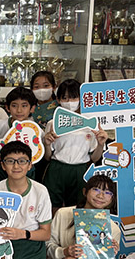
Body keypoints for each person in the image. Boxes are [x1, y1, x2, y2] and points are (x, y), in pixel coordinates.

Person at [43, 79, 108, 211]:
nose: (69, 102)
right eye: (65, 98)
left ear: (81, 98)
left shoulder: (91, 124)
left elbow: (94, 158)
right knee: (51, 205)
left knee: (78, 206)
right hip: (57, 168)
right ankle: (54, 225)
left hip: (80, 169)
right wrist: (47, 144)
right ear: (58, 100)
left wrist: (101, 144)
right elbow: (48, 157)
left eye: (73, 97)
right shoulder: (52, 124)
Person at [0, 86, 37, 189]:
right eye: (14, 105)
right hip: (1, 167)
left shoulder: (35, 129)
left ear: (32, 108)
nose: (19, 110)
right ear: (7, 107)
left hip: (25, 169)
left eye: (24, 106)